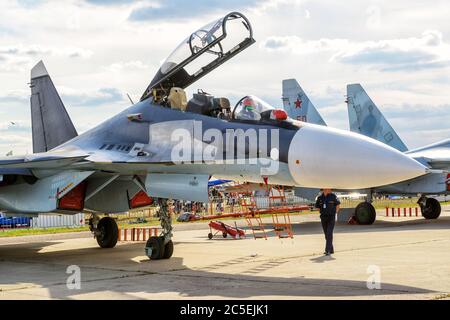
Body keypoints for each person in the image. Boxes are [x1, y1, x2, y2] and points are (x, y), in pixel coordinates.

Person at [315, 189, 340, 255]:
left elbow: (338, 205)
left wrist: (335, 213)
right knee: (326, 234)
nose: (330, 190)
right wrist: (322, 211)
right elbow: (317, 207)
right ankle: (331, 249)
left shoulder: (333, 196)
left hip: (331, 217)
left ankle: (327, 250)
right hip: (323, 217)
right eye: (328, 188)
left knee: (329, 233)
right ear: (324, 190)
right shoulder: (320, 198)